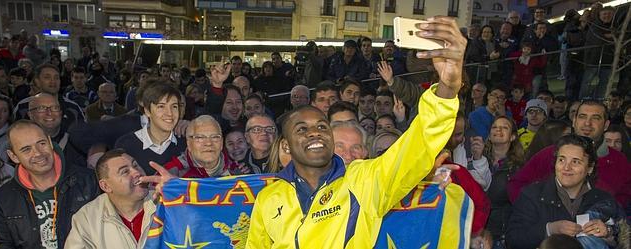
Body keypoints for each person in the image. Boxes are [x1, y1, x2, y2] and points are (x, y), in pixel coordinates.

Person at [140, 16, 466, 248]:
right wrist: (182, 187)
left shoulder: (366, 181)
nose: (314, 132)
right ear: (285, 145)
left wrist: (448, 89)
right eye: (302, 128)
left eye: (322, 126)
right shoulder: (269, 198)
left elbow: (419, 144)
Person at [0, 120, 99, 248]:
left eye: (41, 143)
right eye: (26, 149)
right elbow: (2, 244)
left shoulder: (89, 180)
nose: (37, 153)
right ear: (13, 156)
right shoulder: (5, 196)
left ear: (49, 141)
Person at [508, 100, 631, 211]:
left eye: (595, 118)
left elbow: (624, 197)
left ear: (605, 125)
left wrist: (607, 214)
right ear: (574, 121)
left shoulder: (619, 161)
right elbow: (517, 184)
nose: (587, 123)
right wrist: (538, 217)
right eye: (582, 117)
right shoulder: (550, 153)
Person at [506, 135, 624, 249]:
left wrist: (608, 233)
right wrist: (550, 229)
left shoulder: (604, 199)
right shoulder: (532, 195)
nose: (566, 168)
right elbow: (513, 240)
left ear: (590, 168)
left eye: (575, 162)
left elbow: (624, 235)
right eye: (562, 160)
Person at [64, 149, 154, 248]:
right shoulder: (87, 218)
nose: (137, 172)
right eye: (125, 171)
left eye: (135, 165)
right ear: (105, 186)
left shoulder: (165, 203)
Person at [471, 116, 525, 247]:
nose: (498, 130)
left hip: (500, 232)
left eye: (504, 127)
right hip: (475, 228)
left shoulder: (519, 166)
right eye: (494, 127)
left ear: (512, 137)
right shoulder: (477, 159)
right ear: (489, 135)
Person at [114, 83, 186, 175]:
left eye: (174, 106)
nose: (170, 113)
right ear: (147, 111)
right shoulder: (126, 144)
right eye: (161, 106)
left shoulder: (187, 142)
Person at [164, 116, 244, 178]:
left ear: (221, 143)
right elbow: (152, 196)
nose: (208, 143)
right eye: (200, 138)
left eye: (215, 137)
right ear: (189, 144)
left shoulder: (236, 172)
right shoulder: (171, 173)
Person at [14, 64, 85, 127]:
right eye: (47, 77)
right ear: (37, 81)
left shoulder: (73, 108)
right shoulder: (22, 107)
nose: (53, 81)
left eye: (56, 78)